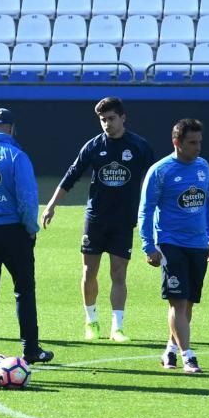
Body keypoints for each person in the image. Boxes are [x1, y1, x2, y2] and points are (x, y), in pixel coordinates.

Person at [42, 97, 154, 342]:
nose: (107, 124)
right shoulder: (93, 146)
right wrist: (51, 205)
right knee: (89, 270)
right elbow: (72, 175)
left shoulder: (139, 147)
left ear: (123, 118)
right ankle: (91, 321)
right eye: (103, 120)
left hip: (123, 220)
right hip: (95, 219)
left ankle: (118, 326)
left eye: (111, 119)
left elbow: (154, 179)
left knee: (119, 273)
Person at [138, 119, 209, 375]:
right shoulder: (161, 171)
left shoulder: (203, 167)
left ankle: (170, 350)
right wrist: (148, 245)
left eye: (200, 142)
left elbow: (207, 204)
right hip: (171, 243)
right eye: (192, 143)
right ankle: (188, 357)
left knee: (188, 303)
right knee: (178, 303)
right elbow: (146, 210)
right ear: (177, 143)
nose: (198, 148)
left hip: (198, 243)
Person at [0, 108, 54, 364]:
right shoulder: (17, 156)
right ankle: (30, 348)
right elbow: (27, 200)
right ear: (10, 128)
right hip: (14, 231)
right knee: (24, 291)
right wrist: (31, 229)